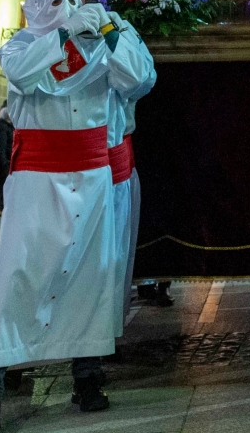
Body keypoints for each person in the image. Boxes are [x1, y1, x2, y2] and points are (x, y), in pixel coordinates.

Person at [0, 0, 155, 433]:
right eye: (58, 4)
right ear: (39, 9)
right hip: (38, 178)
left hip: (93, 175)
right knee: (18, 273)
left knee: (91, 275)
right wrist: (63, 37)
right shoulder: (23, 45)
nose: (69, 10)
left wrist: (110, 31)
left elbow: (139, 80)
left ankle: (86, 374)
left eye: (75, 4)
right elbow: (24, 75)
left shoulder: (105, 41)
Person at [107, 31, 157, 338]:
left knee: (110, 257)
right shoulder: (30, 45)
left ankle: (103, 332)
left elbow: (138, 79)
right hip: (57, 176)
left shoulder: (117, 34)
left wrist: (113, 36)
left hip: (111, 168)